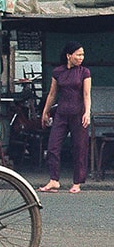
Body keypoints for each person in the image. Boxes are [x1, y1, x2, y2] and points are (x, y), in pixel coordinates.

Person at [37, 41, 91, 194]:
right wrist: (45, 111)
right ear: (69, 56)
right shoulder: (58, 72)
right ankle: (54, 180)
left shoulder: (84, 72)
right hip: (61, 114)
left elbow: (86, 94)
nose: (81, 57)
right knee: (53, 146)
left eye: (82, 55)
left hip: (78, 114)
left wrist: (87, 112)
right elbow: (52, 94)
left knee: (79, 148)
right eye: (78, 55)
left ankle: (77, 183)